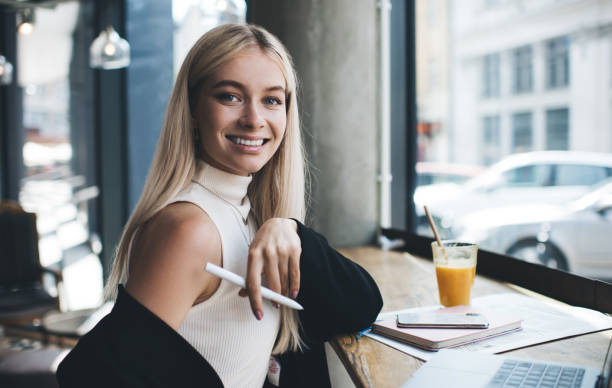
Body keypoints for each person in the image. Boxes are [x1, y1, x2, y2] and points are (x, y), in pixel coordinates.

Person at [56, 24, 382, 388]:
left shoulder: (252, 215)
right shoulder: (189, 230)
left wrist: (289, 228)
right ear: (193, 109)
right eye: (230, 96)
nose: (254, 119)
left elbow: (363, 306)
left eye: (272, 100)